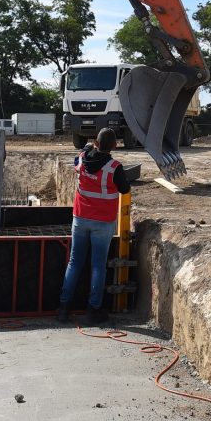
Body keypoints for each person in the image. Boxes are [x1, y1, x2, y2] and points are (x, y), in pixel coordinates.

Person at [56, 127, 130, 326]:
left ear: (96, 143)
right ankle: (93, 310)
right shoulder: (114, 167)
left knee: (74, 263)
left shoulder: (81, 159)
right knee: (98, 266)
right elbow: (125, 188)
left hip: (80, 219)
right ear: (114, 145)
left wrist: (90, 148)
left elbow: (79, 158)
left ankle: (63, 308)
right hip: (103, 222)